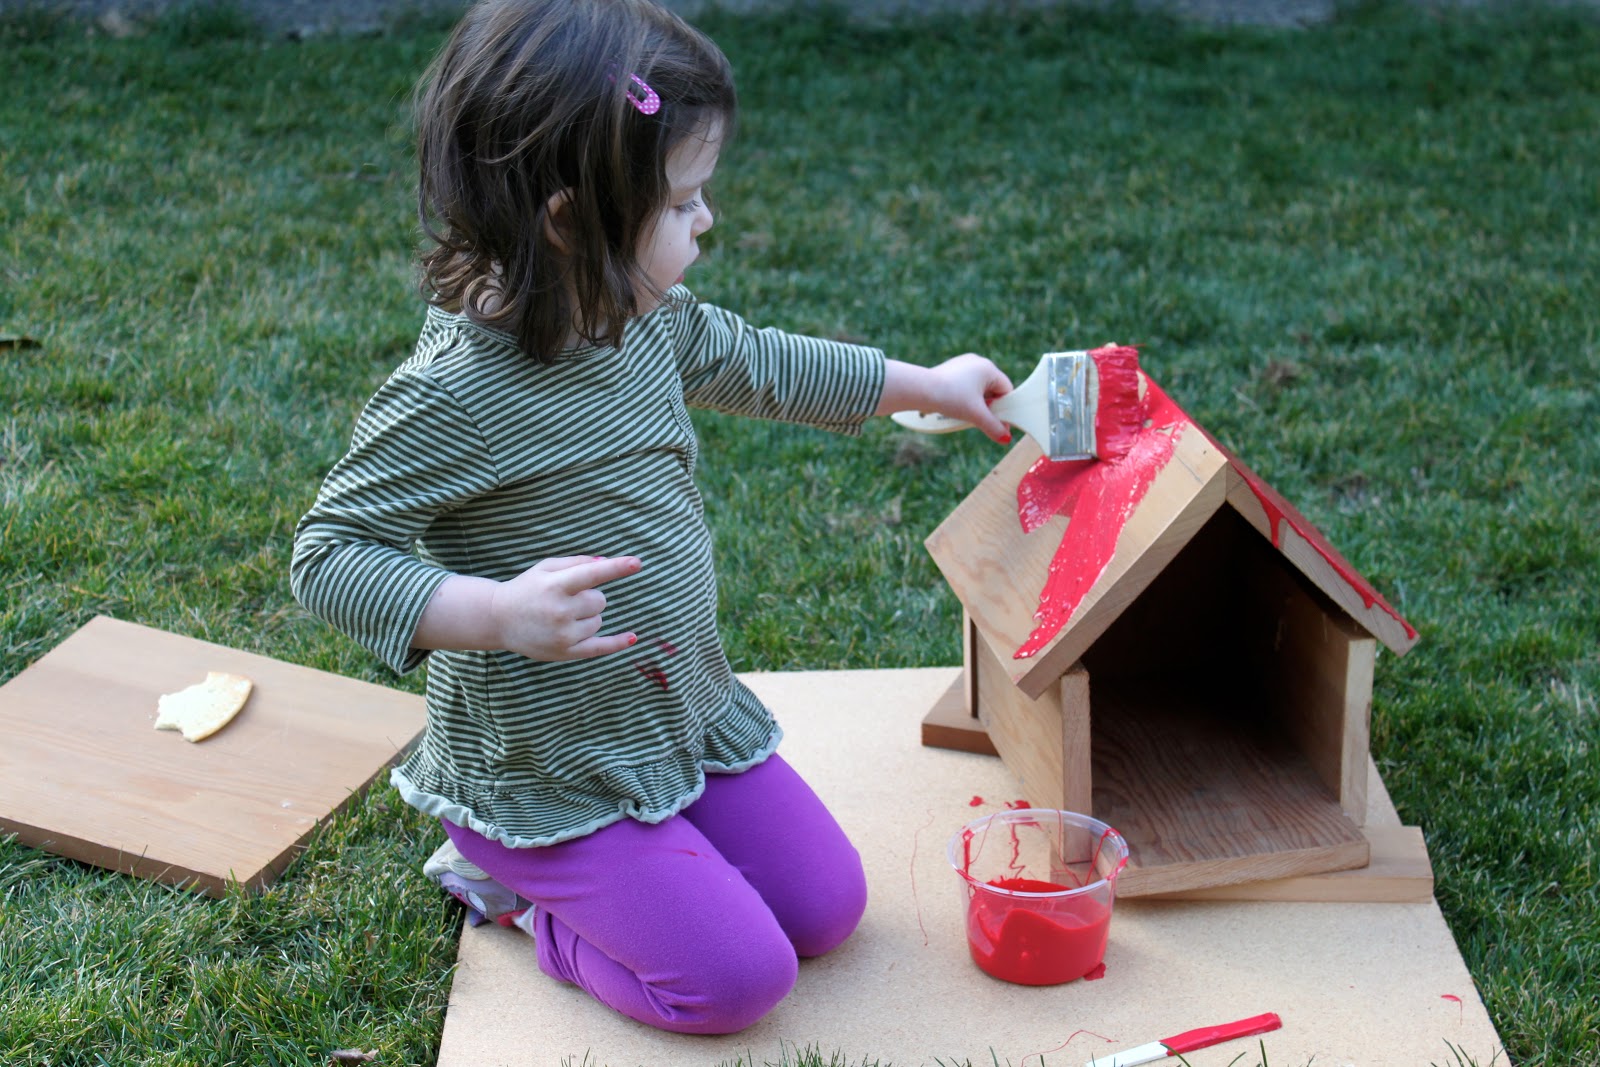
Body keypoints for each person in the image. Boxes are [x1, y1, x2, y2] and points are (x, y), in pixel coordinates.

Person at [290, 0, 1012, 1036]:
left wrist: (928, 385)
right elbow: (327, 554)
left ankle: (644, 866)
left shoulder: (640, 320)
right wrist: (492, 611)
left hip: (675, 714)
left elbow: (765, 361)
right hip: (549, 767)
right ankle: (520, 893)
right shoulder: (454, 395)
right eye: (681, 201)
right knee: (736, 982)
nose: (706, 219)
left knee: (826, 909)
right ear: (568, 220)